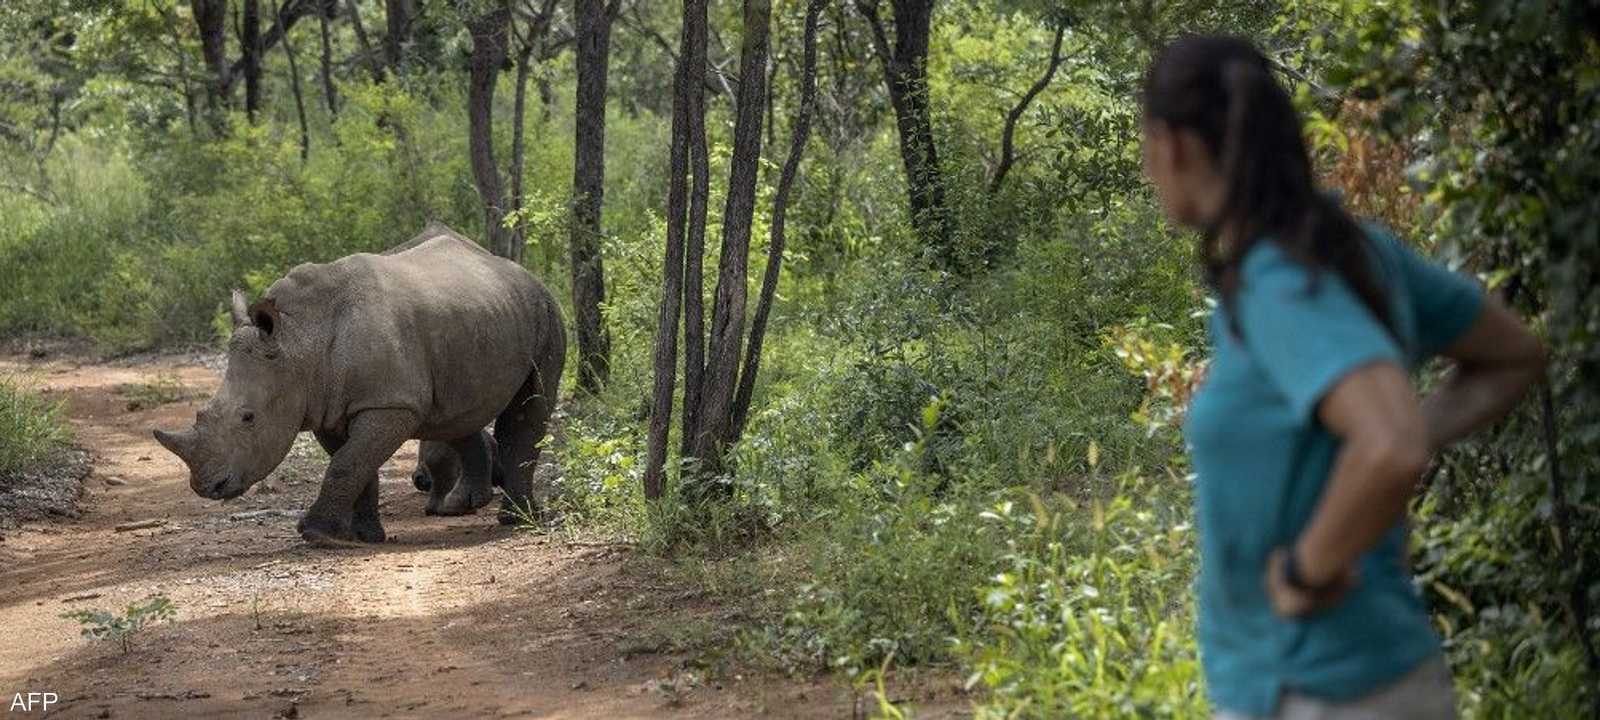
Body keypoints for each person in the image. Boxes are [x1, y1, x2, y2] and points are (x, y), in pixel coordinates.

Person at [1138, 35, 1547, 719]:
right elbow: (1515, 353)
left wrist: (1306, 569)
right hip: (1367, 675)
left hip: (1317, 688)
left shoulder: (1281, 280)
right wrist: (1412, 424)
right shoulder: (1350, 251)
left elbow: (1389, 443)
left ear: (1173, 144)